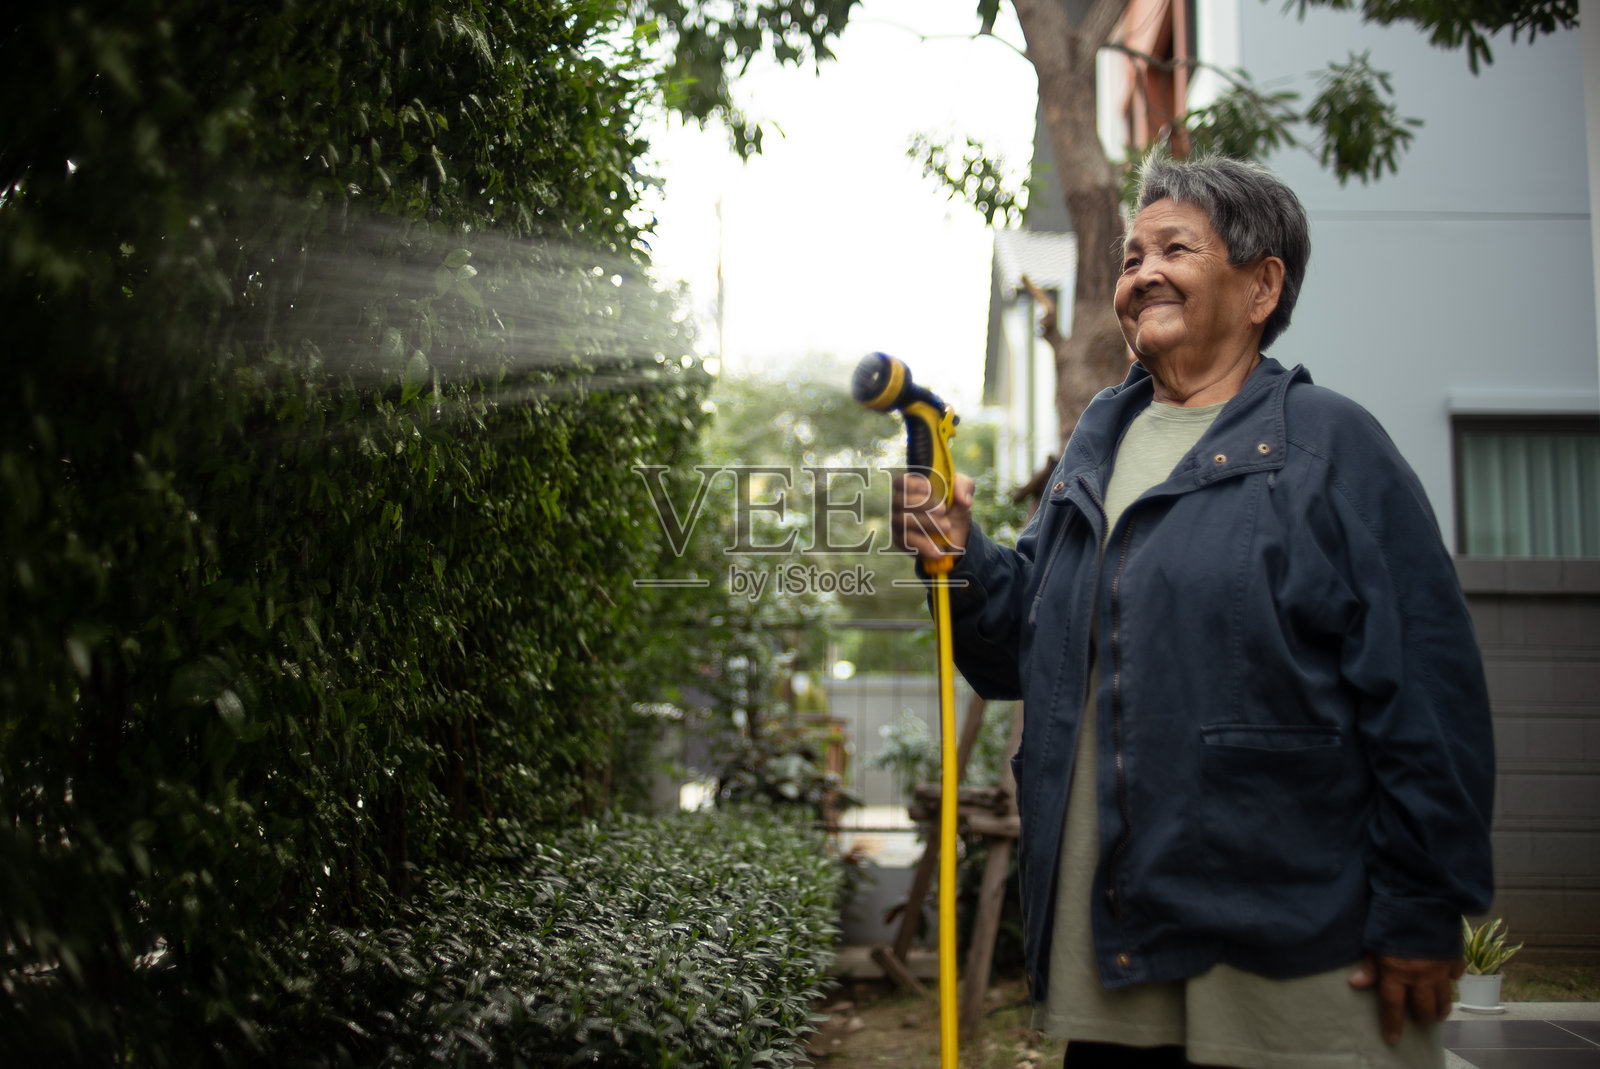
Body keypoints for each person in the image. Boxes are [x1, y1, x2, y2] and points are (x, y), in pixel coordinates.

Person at [892, 154, 1494, 1069]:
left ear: (1261, 287)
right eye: (1131, 258)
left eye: (1175, 248)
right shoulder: (1095, 446)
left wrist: (1420, 900)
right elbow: (1027, 648)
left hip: (1294, 953)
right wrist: (960, 555)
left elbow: (1427, 691)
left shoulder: (1331, 447)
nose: (1142, 275)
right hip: (1112, 949)